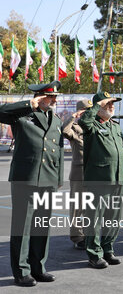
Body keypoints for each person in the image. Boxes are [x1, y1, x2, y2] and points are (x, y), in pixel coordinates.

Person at [2, 81, 63, 287]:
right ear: (39, 96)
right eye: (50, 96)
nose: (54, 100)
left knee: (41, 226)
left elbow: (59, 152)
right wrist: (29, 104)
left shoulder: (55, 120)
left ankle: (38, 267)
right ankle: (21, 271)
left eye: (56, 97)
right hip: (25, 178)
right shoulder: (21, 115)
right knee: (22, 226)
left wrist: (58, 178)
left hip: (48, 178)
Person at [80, 92, 123, 269]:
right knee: (95, 218)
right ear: (98, 108)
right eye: (108, 104)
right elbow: (84, 122)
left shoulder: (115, 126)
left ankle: (108, 248)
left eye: (112, 104)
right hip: (98, 179)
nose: (111, 106)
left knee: (113, 217)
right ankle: (94, 254)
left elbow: (119, 152)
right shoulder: (91, 125)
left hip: (116, 178)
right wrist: (98, 105)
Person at [62, 99, 93, 250]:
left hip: (93, 171)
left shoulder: (93, 126)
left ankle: (88, 234)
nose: (89, 113)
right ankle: (77, 236)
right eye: (86, 110)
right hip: (79, 172)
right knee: (77, 207)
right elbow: (64, 131)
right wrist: (73, 116)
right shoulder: (74, 127)